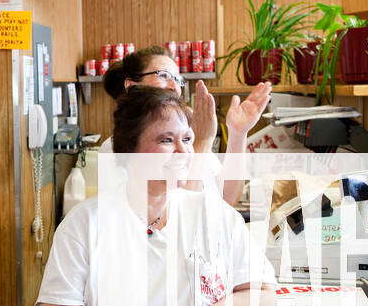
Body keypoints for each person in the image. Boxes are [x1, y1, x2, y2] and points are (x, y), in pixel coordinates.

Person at [36, 87, 276, 306]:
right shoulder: (86, 222)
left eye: (187, 139)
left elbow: (261, 299)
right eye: (166, 140)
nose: (183, 151)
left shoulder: (214, 215)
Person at [102, 45, 272, 206]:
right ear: (132, 86)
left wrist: (238, 134)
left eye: (177, 79)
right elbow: (180, 214)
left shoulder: (188, 141)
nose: (174, 86)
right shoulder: (118, 148)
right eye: (163, 75)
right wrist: (203, 141)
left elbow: (227, 199)